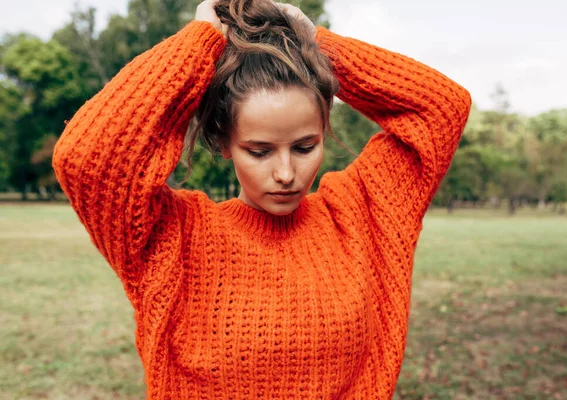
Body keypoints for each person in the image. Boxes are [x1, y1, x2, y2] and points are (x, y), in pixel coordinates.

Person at [52, 0, 471, 398]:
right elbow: (86, 158)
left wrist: (319, 46)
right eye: (260, 151)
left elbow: (442, 108)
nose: (286, 174)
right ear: (223, 143)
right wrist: (200, 40)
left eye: (305, 147)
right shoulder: (171, 239)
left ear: (324, 132)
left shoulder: (362, 214)